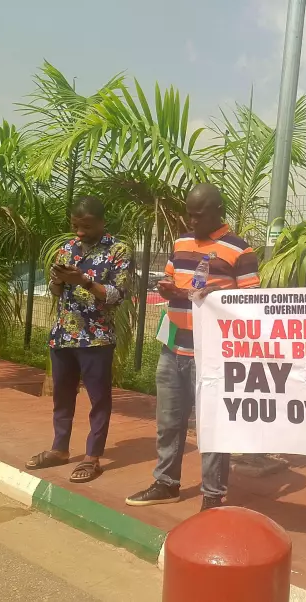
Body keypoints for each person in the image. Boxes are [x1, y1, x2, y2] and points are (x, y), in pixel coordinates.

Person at [125, 182, 260, 511]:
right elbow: (173, 276)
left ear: (217, 211)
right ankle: (166, 482)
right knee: (168, 421)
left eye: (198, 215)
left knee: (212, 427)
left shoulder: (240, 251)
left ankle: (213, 497)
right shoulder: (182, 242)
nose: (190, 221)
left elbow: (252, 303)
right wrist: (168, 288)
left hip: (212, 356)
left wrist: (218, 297)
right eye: (188, 214)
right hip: (174, 347)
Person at [26, 196, 130, 484]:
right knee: (62, 396)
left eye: (85, 226)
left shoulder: (118, 251)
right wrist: (58, 281)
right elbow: (56, 293)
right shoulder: (67, 249)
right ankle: (59, 449)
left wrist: (83, 281)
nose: (79, 232)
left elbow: (117, 295)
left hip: (96, 338)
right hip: (63, 336)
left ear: (101, 222)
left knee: (99, 400)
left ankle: (92, 457)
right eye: (75, 225)